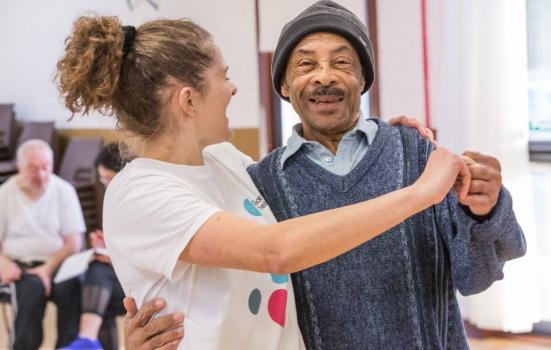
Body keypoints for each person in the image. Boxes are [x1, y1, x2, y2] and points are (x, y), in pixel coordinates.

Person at [55, 14, 472, 350]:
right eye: (225, 76)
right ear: (188, 100)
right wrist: (420, 193)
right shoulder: (139, 193)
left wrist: (386, 137)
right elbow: (277, 250)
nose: (234, 88)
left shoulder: (223, 160)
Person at [0, 139, 85, 349]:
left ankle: (67, 347)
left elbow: (75, 242)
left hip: (57, 263)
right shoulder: (4, 193)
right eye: (33, 168)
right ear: (19, 167)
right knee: (33, 288)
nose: (41, 175)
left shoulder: (64, 190)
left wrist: (47, 269)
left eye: (46, 167)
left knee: (71, 287)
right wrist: (2, 263)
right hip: (18, 265)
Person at [65, 143, 128, 350]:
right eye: (103, 180)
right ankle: (87, 340)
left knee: (98, 272)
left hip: (147, 283)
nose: (106, 185)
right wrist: (105, 246)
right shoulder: (117, 201)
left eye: (109, 179)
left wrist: (109, 257)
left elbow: (149, 257)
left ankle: (86, 340)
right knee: (98, 291)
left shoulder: (141, 202)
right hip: (120, 278)